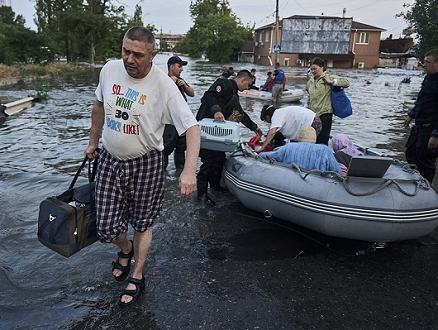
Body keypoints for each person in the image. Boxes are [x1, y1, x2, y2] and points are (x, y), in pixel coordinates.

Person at [84, 27, 200, 307]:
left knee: (142, 222)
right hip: (110, 160)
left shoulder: (164, 86)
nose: (129, 59)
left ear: (152, 55)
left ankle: (136, 272)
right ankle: (125, 249)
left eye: (137, 54)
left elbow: (192, 128)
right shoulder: (110, 70)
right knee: (107, 227)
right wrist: (93, 141)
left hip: (146, 162)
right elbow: (99, 105)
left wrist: (188, 170)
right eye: (126, 51)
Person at [196, 69, 263, 206]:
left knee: (219, 158)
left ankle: (215, 186)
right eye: (248, 85)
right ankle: (201, 194)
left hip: (217, 134)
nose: (247, 88)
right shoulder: (224, 84)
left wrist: (254, 127)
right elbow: (208, 95)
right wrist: (217, 110)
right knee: (208, 161)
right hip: (205, 131)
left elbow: (240, 114)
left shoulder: (234, 97)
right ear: (243, 80)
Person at [404, 49, 438, 183]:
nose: (424, 65)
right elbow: (422, 99)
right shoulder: (428, 77)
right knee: (411, 154)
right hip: (419, 125)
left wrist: (436, 135)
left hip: (431, 128)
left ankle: (426, 188)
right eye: (424, 61)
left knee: (426, 161)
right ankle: (413, 183)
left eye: (428, 62)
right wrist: (411, 115)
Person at [306, 57, 350, 145]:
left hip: (325, 113)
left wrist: (332, 81)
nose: (313, 71)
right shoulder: (310, 82)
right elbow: (309, 96)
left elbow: (347, 82)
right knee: (312, 139)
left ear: (322, 68)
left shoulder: (328, 77)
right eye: (311, 69)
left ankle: (322, 157)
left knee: (322, 140)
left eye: (315, 69)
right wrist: (306, 107)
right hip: (313, 114)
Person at [163, 55, 195, 170]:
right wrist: (170, 83)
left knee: (181, 148)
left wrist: (185, 86)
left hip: (181, 122)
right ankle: (162, 176)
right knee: (165, 149)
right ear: (171, 67)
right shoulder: (163, 79)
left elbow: (192, 93)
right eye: (179, 66)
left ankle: (180, 172)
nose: (182, 69)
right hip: (169, 123)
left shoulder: (181, 80)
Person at [258, 105, 322, 152]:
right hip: (315, 120)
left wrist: (262, 147)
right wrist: (265, 141)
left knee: (303, 149)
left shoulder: (276, 115)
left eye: (265, 120)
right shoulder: (281, 112)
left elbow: (272, 132)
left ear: (267, 117)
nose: (267, 122)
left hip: (311, 122)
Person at [258, 141, 342, 175]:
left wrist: (258, 153)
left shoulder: (289, 147)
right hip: (318, 185)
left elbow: (271, 155)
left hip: (291, 182)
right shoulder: (325, 150)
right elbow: (337, 173)